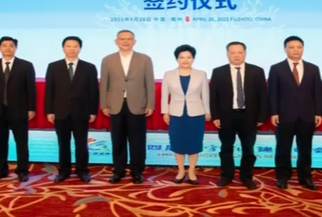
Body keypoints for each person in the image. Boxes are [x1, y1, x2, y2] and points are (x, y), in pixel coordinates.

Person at [100, 30, 156, 184]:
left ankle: (137, 171)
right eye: (122, 39)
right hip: (115, 104)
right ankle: (118, 171)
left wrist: (150, 104)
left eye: (129, 39)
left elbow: (149, 83)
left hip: (137, 104)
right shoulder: (108, 60)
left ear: (134, 41)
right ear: (116, 41)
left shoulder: (145, 59)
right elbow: (104, 84)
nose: (126, 41)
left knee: (137, 141)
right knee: (117, 140)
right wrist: (104, 104)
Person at [210, 41, 269, 189]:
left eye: (240, 52)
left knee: (248, 149)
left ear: (245, 53)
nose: (236, 55)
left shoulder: (257, 71)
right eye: (233, 52)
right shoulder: (218, 72)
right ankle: (226, 175)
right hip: (226, 117)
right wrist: (215, 116)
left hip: (249, 117)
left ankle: (246, 177)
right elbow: (213, 97)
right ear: (227, 54)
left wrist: (261, 116)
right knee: (226, 148)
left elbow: (263, 96)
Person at [268, 35, 322, 190]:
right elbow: (272, 93)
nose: (295, 50)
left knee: (305, 148)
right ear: (285, 49)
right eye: (291, 47)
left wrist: (318, 112)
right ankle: (282, 177)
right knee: (283, 148)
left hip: (307, 115)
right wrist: (274, 112)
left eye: (299, 47)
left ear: (303, 49)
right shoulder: (276, 68)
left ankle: (305, 177)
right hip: (284, 115)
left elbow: (318, 92)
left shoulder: (313, 68)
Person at [0, 36, 36, 182]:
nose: (7, 48)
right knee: (0, 142)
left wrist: (31, 108)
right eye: (4, 45)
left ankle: (22, 171)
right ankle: (0, 170)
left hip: (19, 110)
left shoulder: (26, 65)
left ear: (15, 48)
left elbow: (31, 89)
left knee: (21, 143)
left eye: (11, 45)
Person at [45, 36, 99, 182]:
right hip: (60, 112)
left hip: (81, 112)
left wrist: (93, 111)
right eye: (68, 46)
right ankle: (64, 171)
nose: (72, 49)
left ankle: (83, 170)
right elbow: (49, 90)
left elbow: (93, 91)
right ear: (63, 48)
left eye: (75, 46)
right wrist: (50, 111)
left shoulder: (89, 67)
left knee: (81, 144)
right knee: (63, 144)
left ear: (80, 48)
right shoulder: (53, 66)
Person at [161, 45, 211, 184]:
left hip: (196, 114)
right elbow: (164, 95)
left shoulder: (201, 74)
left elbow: (205, 95)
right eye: (182, 57)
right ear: (177, 59)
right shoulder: (168, 74)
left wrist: (207, 111)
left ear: (193, 59)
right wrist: (165, 112)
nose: (185, 60)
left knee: (194, 143)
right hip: (176, 114)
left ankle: (192, 171)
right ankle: (181, 171)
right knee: (178, 143)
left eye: (189, 57)